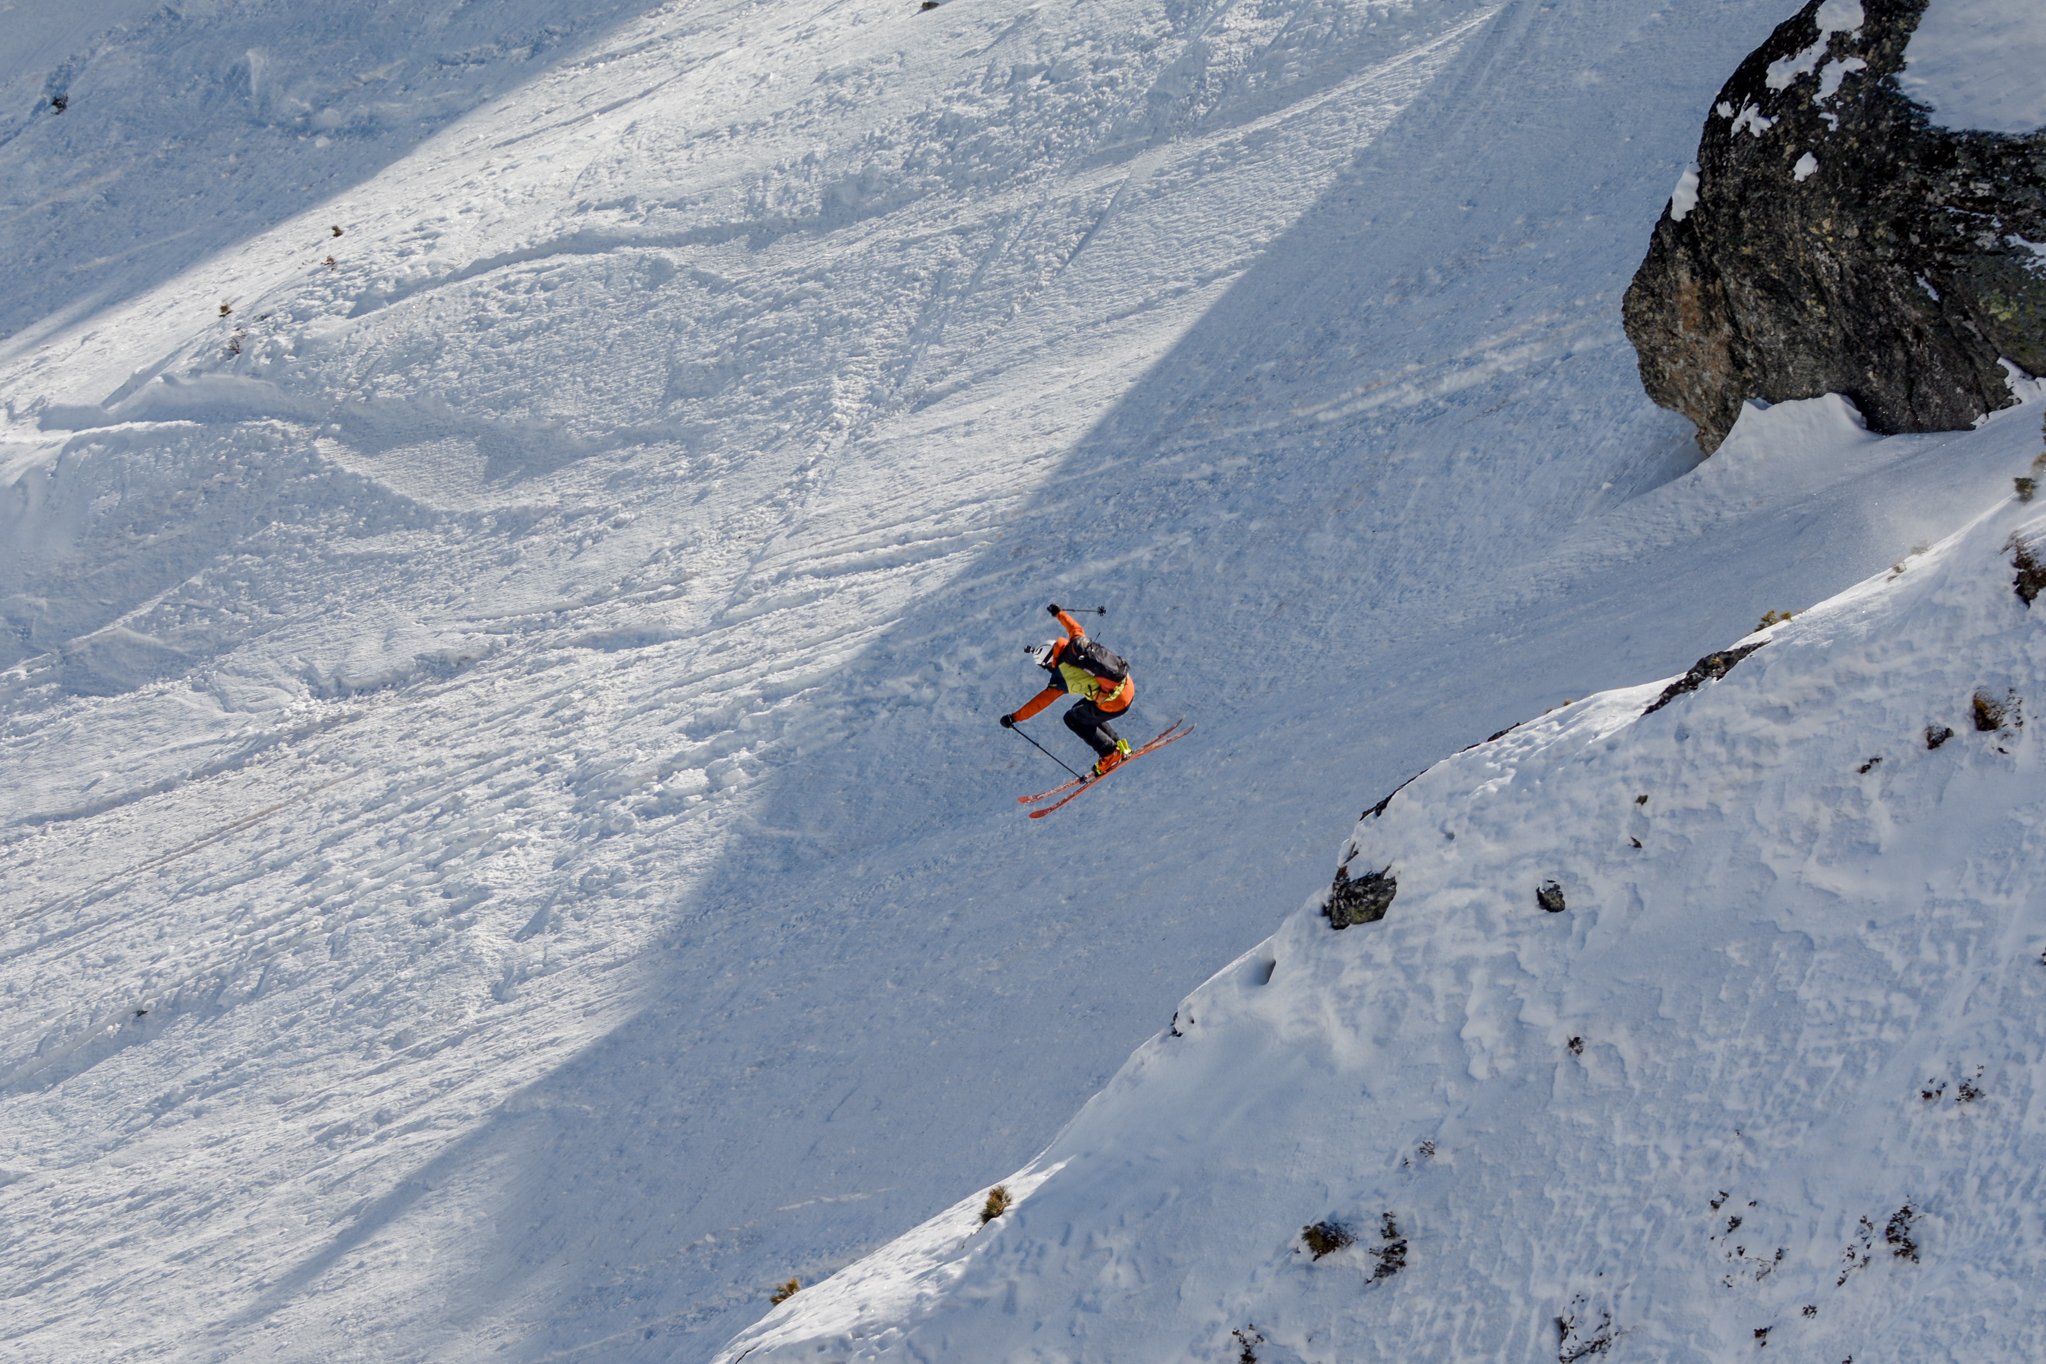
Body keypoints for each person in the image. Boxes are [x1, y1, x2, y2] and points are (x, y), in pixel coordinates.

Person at [999, 603, 1134, 777]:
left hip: (1116, 702)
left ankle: (1109, 753)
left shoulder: (1060, 675)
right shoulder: (1074, 647)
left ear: (1048, 663)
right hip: (1126, 684)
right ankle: (1118, 746)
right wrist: (1059, 613)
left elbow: (1040, 702)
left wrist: (1014, 717)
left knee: (1072, 719)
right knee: (1081, 709)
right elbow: (1075, 628)